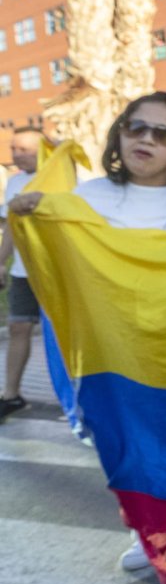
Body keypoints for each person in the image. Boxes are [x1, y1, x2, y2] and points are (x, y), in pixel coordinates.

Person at [10, 91, 166, 584]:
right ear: (119, 134)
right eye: (135, 127)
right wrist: (33, 215)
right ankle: (145, 532)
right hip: (111, 366)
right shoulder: (87, 198)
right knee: (126, 464)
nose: (146, 139)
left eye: (163, 133)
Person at [0, 127, 44, 418]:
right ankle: (11, 395)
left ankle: (80, 398)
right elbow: (10, 227)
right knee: (18, 327)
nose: (16, 155)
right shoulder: (15, 182)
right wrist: (1, 262)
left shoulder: (68, 178)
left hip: (57, 273)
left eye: (24, 150)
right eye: (14, 149)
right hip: (22, 272)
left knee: (66, 336)